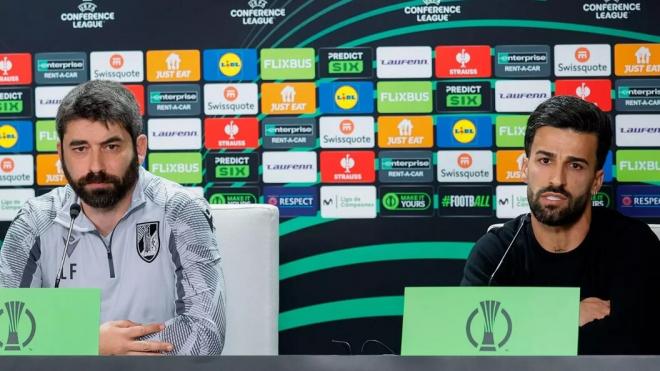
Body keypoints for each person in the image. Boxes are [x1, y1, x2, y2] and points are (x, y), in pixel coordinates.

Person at [0, 80, 226, 355]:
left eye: (111, 147)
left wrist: (108, 350)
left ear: (139, 148)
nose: (95, 166)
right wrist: (90, 342)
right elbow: (4, 331)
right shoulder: (34, 222)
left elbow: (205, 335)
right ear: (60, 153)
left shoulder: (180, 211)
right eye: (80, 149)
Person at [461, 95, 660, 354]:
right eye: (545, 161)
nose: (557, 179)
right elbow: (467, 343)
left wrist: (520, 329)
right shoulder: (495, 253)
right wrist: (564, 318)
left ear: (596, 181)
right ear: (524, 168)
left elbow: (636, 347)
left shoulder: (634, 245)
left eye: (575, 165)